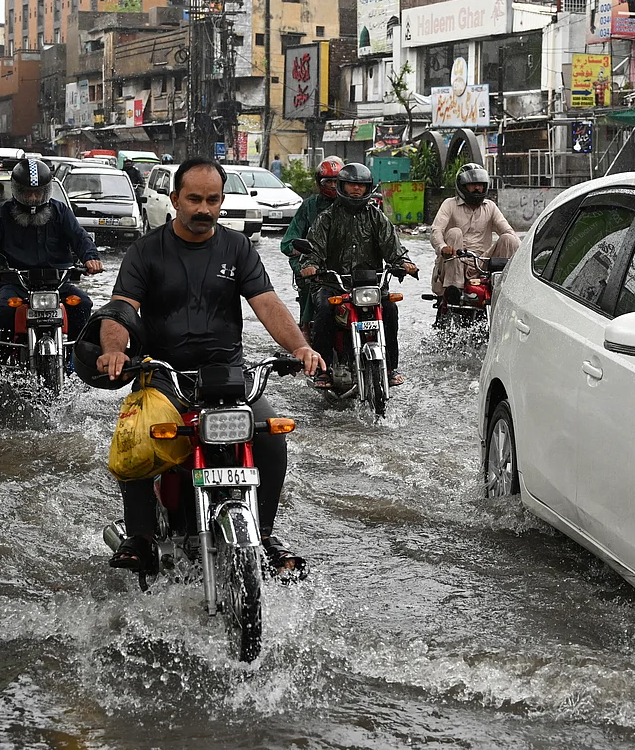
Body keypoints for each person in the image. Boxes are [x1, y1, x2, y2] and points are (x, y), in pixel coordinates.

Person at [94, 158, 323, 575]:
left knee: (270, 436)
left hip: (228, 377)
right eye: (194, 199)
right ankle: (141, 537)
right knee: (136, 437)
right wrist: (115, 351)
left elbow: (268, 304)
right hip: (162, 376)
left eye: (213, 199)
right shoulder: (146, 250)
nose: (204, 208)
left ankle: (266, 534)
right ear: (174, 198)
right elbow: (121, 310)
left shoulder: (237, 248)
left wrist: (302, 347)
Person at [300, 163, 417, 388]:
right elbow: (314, 248)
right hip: (335, 283)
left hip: (370, 285)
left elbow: (392, 247)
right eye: (351, 184)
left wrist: (403, 262)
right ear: (342, 186)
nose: (356, 189)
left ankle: (391, 367)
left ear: (367, 189)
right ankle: (323, 369)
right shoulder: (327, 218)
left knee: (390, 310)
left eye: (361, 186)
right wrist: (310, 265)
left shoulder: (376, 217)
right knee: (324, 309)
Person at [0, 160, 103, 351]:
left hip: (57, 283)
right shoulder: (1, 213)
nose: (33, 197)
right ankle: (1, 365)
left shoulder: (60, 211)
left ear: (46, 191)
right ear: (17, 190)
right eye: (27, 192)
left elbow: (80, 237)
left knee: (83, 304)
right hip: (16, 283)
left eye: (38, 192)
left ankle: (76, 356)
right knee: (5, 310)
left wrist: (91, 258)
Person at [430, 163, 519, 303]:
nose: (477, 188)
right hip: (453, 262)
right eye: (472, 185)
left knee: (509, 239)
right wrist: (442, 247)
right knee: (454, 232)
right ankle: (454, 289)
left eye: (480, 185)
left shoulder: (490, 207)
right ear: (462, 186)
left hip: (481, 263)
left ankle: (503, 289)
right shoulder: (449, 204)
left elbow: (507, 230)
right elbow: (436, 231)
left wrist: (526, 254)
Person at [280, 156, 342, 337]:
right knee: (311, 281)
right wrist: (308, 253)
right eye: (328, 181)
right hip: (313, 264)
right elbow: (287, 243)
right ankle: (305, 327)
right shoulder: (309, 206)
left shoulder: (356, 206)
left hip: (344, 265)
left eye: (337, 181)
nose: (332, 186)